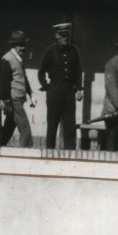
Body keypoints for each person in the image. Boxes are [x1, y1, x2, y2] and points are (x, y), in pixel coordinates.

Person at [37, 22, 83, 150]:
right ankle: (49, 154)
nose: (65, 38)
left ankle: (70, 154)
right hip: (54, 91)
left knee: (70, 126)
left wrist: (79, 88)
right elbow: (41, 72)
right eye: (62, 35)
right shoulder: (50, 51)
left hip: (69, 91)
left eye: (67, 35)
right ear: (56, 35)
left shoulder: (74, 50)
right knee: (52, 125)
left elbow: (78, 71)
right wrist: (46, 86)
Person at [0, 31, 35, 148]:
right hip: (14, 100)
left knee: (9, 127)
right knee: (25, 129)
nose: (23, 48)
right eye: (20, 45)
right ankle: (27, 152)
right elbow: (3, 82)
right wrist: (6, 101)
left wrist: (31, 94)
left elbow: (23, 77)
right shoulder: (7, 59)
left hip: (19, 99)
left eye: (24, 44)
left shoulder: (19, 58)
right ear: (14, 45)